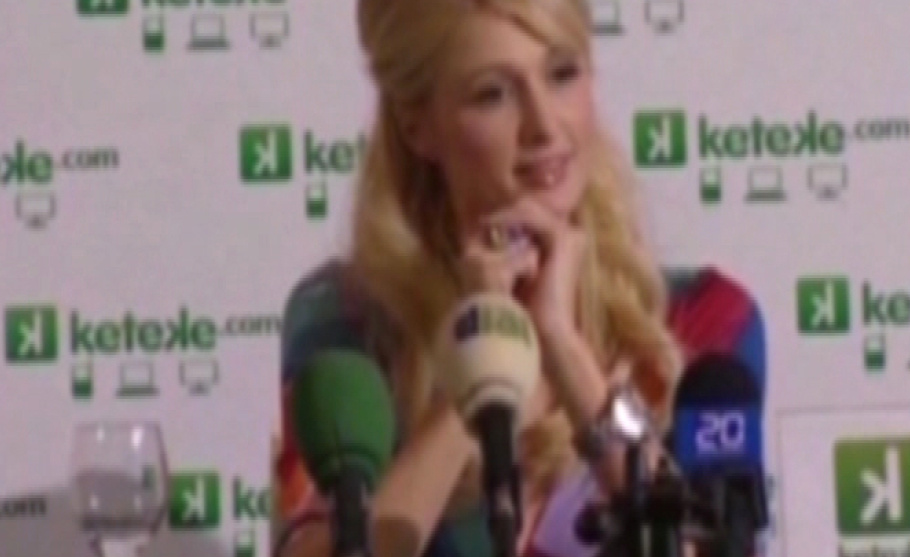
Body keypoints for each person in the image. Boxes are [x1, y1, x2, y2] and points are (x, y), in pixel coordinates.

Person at [275, 0, 688, 555]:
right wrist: (481, 358)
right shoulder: (345, 319)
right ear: (417, 125)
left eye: (562, 73)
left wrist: (566, 349)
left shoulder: (702, 316)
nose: (545, 126)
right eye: (493, 94)